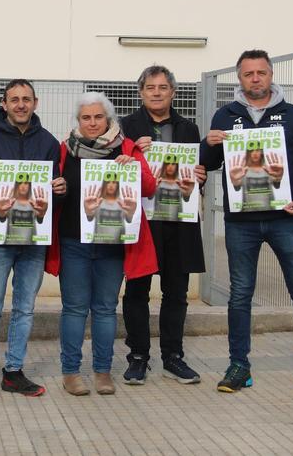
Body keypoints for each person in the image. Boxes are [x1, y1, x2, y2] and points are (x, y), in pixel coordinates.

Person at [199, 50, 293, 398]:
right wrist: (208, 144)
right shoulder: (225, 114)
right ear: (239, 78)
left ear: (271, 74)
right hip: (241, 223)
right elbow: (208, 165)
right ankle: (239, 366)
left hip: (284, 218)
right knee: (240, 297)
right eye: (248, 73)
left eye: (261, 72)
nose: (255, 79)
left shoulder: (292, 116)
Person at [48, 92, 157, 397]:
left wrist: (132, 167)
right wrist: (59, 188)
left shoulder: (126, 148)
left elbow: (149, 188)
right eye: (86, 117)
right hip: (73, 241)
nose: (92, 123)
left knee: (106, 309)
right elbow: (51, 191)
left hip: (111, 244)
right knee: (74, 309)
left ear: (108, 119)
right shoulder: (64, 150)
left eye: (98, 117)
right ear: (78, 121)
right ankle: (70, 372)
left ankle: (102, 371)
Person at [0, 79, 67, 400]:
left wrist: (59, 191)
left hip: (33, 241)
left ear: (35, 103)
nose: (21, 105)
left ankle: (13, 371)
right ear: (5, 104)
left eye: (26, 99)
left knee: (25, 308)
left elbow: (52, 194)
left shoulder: (49, 143)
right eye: (15, 99)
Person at [119, 64, 206, 385]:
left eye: (163, 87)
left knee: (176, 292)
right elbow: (111, 171)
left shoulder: (189, 129)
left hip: (177, 221)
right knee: (137, 290)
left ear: (173, 92)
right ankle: (138, 356)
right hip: (141, 220)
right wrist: (130, 154)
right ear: (140, 92)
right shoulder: (125, 127)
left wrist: (200, 177)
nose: (156, 93)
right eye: (150, 88)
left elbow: (196, 176)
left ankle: (173, 356)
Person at [229, 145, 284, 211]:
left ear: (261, 152)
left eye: (257, 150)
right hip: (248, 213)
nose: (255, 153)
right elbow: (237, 187)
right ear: (248, 153)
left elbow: (276, 185)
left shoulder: (268, 169)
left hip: (269, 211)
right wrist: (235, 181)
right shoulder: (243, 170)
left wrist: (278, 179)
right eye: (252, 151)